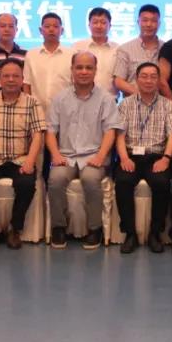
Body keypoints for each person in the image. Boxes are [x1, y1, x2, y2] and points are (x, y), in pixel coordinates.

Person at [46, 52, 123, 250]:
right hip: (66, 155)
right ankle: (58, 227)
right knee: (55, 179)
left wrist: (100, 156)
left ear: (95, 71)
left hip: (94, 156)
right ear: (72, 70)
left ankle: (95, 229)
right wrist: (55, 155)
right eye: (79, 67)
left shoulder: (106, 99)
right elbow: (51, 130)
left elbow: (111, 131)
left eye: (89, 67)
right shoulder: (60, 98)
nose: (84, 71)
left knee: (90, 179)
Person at [0, 59, 46, 250]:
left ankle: (14, 228)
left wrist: (30, 162)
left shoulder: (32, 102)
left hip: (20, 159)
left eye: (15, 76)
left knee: (26, 184)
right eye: (6, 76)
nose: (11, 79)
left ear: (22, 79)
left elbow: (38, 134)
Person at [114, 62, 172, 254]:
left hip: (156, 156)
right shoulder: (125, 104)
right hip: (131, 155)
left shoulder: (167, 105)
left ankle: (155, 233)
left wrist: (166, 158)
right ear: (136, 79)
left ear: (158, 80)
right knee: (123, 182)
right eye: (144, 76)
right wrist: (124, 158)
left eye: (153, 76)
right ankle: (130, 234)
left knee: (162, 183)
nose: (148, 80)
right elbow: (119, 135)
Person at [23, 13, 73, 123]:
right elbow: (26, 84)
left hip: (65, 113)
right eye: (47, 26)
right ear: (40, 30)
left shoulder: (71, 54)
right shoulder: (31, 54)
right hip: (37, 113)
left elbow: (75, 84)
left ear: (62, 30)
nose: (51, 29)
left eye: (55, 26)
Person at [114, 4, 163, 97]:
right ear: (138, 22)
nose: (149, 24)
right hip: (132, 102)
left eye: (153, 21)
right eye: (145, 20)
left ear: (159, 24)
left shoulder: (167, 48)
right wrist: (142, 95)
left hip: (161, 103)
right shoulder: (125, 49)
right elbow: (118, 81)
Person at [72, 7, 119, 97]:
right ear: (89, 25)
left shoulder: (118, 49)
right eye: (95, 22)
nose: (99, 26)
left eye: (103, 22)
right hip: (82, 99)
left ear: (110, 26)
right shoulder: (77, 47)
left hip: (110, 100)